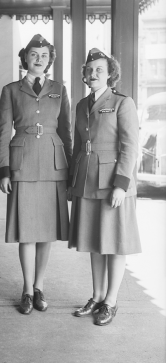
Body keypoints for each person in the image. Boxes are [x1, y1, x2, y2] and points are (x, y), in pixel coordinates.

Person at [0, 34, 72, 314]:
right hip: (23, 162)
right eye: (33, 54)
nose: (38, 59)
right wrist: (3, 170)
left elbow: (66, 130)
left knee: (46, 233)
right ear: (24, 58)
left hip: (54, 165)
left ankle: (40, 286)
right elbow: (3, 132)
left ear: (49, 59)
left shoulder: (59, 89)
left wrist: (71, 171)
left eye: (43, 55)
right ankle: (27, 289)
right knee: (27, 232)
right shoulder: (11, 89)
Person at [68, 48, 141, 326]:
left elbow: (129, 147)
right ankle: (97, 296)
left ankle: (110, 301)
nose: (93, 73)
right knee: (94, 243)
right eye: (89, 69)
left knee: (114, 244)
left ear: (110, 74)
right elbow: (77, 147)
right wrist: (72, 184)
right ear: (84, 75)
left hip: (112, 183)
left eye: (99, 69)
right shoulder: (81, 105)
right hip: (87, 181)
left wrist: (121, 185)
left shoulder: (123, 103)